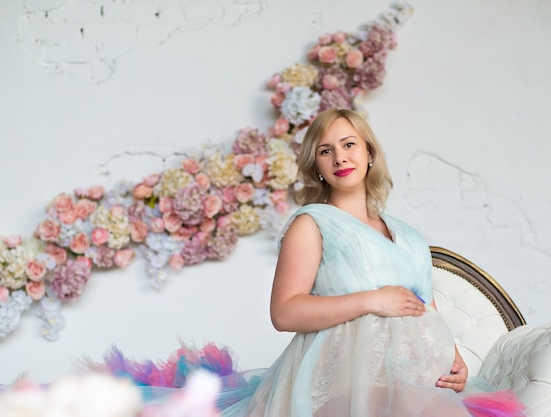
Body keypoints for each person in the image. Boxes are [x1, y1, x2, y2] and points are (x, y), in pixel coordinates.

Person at [220, 108, 526, 416]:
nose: (339, 157)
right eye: (326, 151)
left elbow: (425, 308)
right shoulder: (311, 224)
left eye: (349, 144)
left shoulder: (409, 236)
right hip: (344, 384)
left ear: (369, 152)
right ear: (316, 167)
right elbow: (284, 313)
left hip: (415, 380)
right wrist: (373, 300)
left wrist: (454, 360)